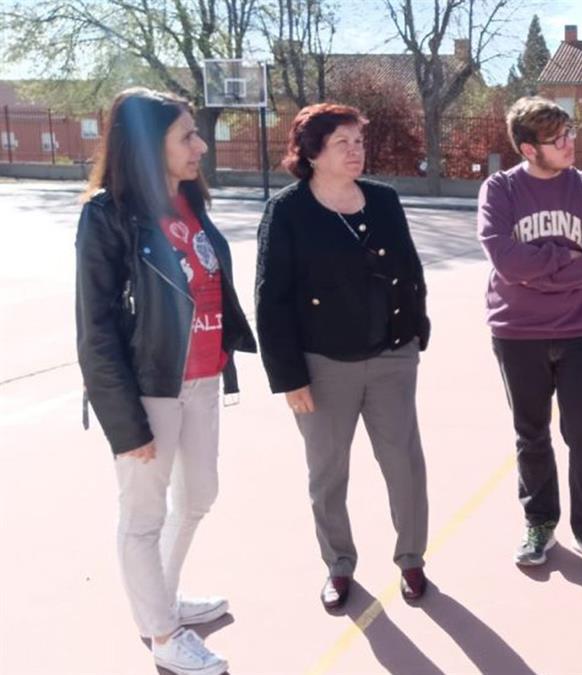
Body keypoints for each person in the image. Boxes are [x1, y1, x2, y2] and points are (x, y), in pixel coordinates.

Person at [76, 87, 257, 675]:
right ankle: (162, 633)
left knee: (199, 495)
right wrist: (125, 423)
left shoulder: (190, 201)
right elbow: (96, 328)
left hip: (203, 378)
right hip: (149, 386)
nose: (201, 146)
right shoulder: (107, 214)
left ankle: (164, 599)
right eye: (187, 136)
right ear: (147, 146)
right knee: (143, 517)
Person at [255, 103, 432, 609]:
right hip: (322, 365)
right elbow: (271, 299)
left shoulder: (384, 200)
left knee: (404, 464)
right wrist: (289, 377)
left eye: (359, 141)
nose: (356, 151)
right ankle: (339, 564)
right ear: (312, 153)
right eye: (342, 143)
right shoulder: (287, 211)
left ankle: (412, 559)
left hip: (392, 358)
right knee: (328, 473)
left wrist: (415, 334)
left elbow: (410, 270)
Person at [477, 96, 582, 568]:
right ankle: (539, 522)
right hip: (517, 332)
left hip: (580, 330)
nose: (569, 143)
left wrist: (536, 271)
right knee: (531, 434)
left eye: (569, 133)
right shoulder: (500, 190)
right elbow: (506, 261)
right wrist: (564, 259)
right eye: (557, 139)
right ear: (528, 149)